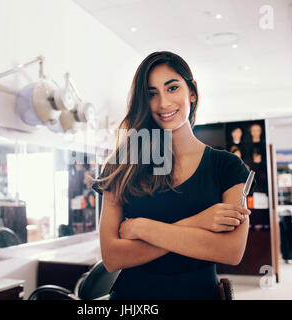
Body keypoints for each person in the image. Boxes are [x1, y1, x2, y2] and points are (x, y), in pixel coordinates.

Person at [92, 51, 251, 300]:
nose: (163, 103)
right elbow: (112, 257)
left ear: (192, 92)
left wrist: (141, 227)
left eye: (172, 88)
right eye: (151, 94)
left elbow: (230, 251)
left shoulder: (227, 167)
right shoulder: (122, 165)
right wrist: (198, 222)